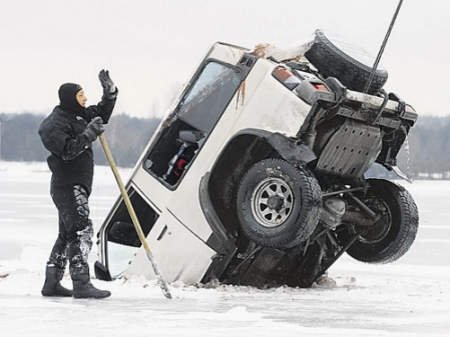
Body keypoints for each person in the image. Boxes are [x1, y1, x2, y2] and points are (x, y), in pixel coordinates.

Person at [39, 70, 118, 299]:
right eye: (81, 95)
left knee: (67, 235)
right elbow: (67, 151)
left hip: (79, 185)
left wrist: (109, 93)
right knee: (82, 231)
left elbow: (100, 114)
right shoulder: (53, 125)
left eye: (84, 94)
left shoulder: (78, 115)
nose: (85, 98)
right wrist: (89, 134)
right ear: (69, 98)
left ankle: (51, 283)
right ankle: (82, 283)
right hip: (67, 186)